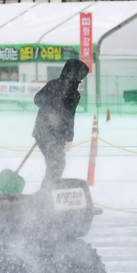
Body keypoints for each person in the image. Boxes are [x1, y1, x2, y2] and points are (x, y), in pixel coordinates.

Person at [33, 59, 89, 188]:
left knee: (54, 163)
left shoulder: (52, 84)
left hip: (41, 131)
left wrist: (50, 104)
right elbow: (69, 117)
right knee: (57, 164)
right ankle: (47, 194)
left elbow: (37, 100)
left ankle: (48, 192)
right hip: (56, 134)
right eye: (81, 77)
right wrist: (69, 138)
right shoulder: (73, 93)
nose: (81, 81)